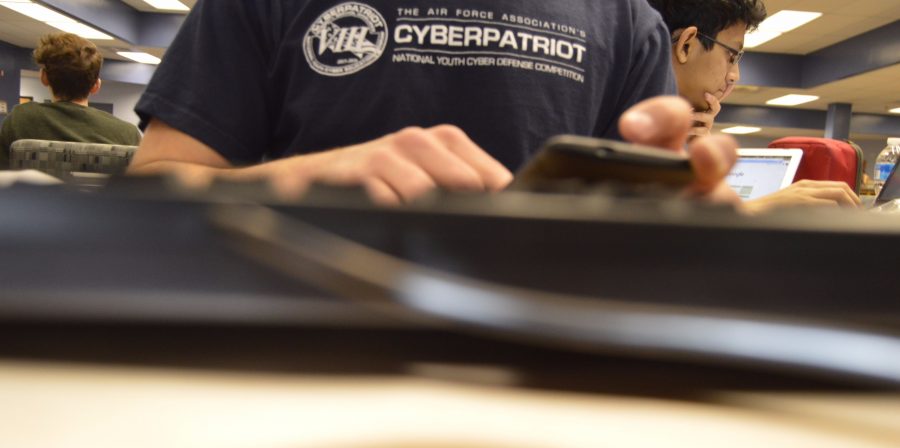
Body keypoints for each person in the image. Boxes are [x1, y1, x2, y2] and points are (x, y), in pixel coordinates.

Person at [129, 0, 740, 205]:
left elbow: (640, 237)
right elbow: (151, 189)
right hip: (301, 337)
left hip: (537, 363)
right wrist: (308, 178)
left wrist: (679, 214)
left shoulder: (629, 19)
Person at [649, 0, 860, 212]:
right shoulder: (628, 114)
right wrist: (759, 208)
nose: (735, 76)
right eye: (732, 56)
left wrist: (694, 156)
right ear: (687, 45)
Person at [0, 33, 142, 169]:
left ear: (44, 77)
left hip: (32, 195)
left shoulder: (19, 120)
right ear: (96, 85)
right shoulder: (128, 134)